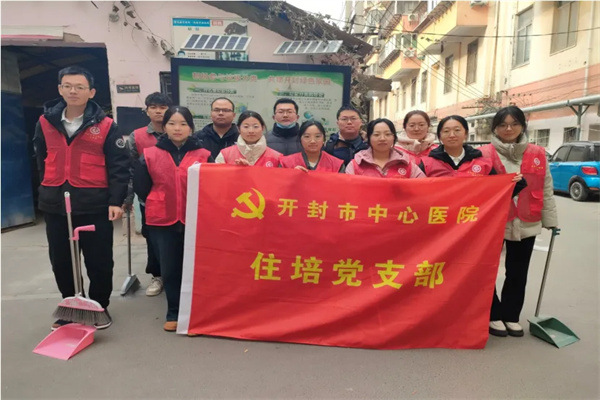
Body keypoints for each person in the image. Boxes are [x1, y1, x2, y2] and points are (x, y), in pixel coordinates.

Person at [33, 66, 129, 330]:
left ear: (91, 92)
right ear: (60, 89)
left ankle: (98, 306)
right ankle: (71, 305)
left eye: (79, 87)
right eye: (67, 86)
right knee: (61, 259)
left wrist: (116, 201)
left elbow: (119, 166)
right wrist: (46, 187)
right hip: (55, 203)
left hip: (94, 203)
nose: (73, 91)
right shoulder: (45, 122)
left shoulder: (106, 125)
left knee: (99, 260)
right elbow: (41, 158)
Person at [479, 106, 558, 338]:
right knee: (486, 271)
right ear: (495, 128)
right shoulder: (483, 154)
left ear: (522, 126)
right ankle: (493, 313)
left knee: (518, 272)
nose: (508, 129)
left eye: (514, 124)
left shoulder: (538, 153)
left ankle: (511, 315)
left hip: (527, 221)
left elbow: (546, 187)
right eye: (503, 125)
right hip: (494, 223)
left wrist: (551, 220)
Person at [133, 106, 213, 332]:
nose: (178, 128)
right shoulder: (149, 154)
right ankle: (174, 312)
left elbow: (213, 186)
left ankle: (197, 313)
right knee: (169, 268)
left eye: (183, 124)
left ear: (191, 128)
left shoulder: (204, 154)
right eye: (172, 123)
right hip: (162, 219)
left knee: (196, 268)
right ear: (164, 127)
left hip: (195, 219)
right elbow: (141, 187)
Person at [124, 92, 172, 297]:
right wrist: (128, 198)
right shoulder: (137, 136)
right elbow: (129, 169)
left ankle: (177, 276)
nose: (158, 111)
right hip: (150, 200)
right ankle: (157, 276)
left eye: (162, 107)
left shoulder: (179, 132)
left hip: (177, 199)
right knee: (153, 239)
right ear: (147, 111)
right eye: (153, 107)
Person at [345, 118, 425, 178]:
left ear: (394, 137)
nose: (382, 138)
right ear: (368, 138)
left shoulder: (407, 164)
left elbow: (422, 187)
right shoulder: (355, 165)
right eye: (376, 135)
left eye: (387, 134)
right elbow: (348, 190)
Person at [216, 111, 282, 167]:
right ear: (238, 128)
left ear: (263, 128)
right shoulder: (225, 154)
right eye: (246, 127)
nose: (251, 131)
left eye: (255, 126)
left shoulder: (276, 157)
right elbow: (218, 176)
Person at [279, 120, 345, 173]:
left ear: (324, 139)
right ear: (300, 139)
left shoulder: (336, 164)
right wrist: (291, 175)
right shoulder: (286, 163)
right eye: (307, 136)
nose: (313, 141)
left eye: (317, 136)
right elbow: (280, 184)